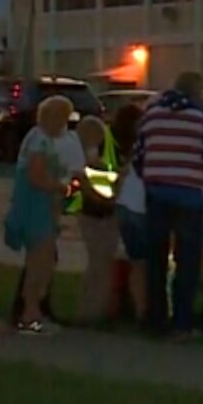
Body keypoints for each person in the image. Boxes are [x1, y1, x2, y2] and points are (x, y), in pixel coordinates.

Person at [136, 72, 203, 340]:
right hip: (189, 194)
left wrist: (154, 176)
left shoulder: (151, 115)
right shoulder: (201, 118)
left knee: (156, 259)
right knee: (187, 260)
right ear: (197, 93)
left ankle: (155, 319)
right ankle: (182, 322)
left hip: (157, 192)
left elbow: (139, 155)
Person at [4, 95, 74, 335]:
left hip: (43, 210)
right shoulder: (39, 140)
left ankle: (33, 311)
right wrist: (61, 187)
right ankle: (29, 313)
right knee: (38, 262)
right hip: (34, 209)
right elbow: (36, 176)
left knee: (44, 261)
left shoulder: (44, 140)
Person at [72, 115, 123, 324]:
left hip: (98, 213)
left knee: (101, 263)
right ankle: (90, 310)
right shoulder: (83, 161)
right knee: (99, 263)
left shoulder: (99, 160)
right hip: (95, 213)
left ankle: (96, 307)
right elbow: (88, 187)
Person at [111, 103, 149, 323]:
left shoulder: (129, 149)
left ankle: (139, 310)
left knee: (137, 262)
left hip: (125, 205)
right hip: (141, 208)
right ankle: (144, 310)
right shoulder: (148, 145)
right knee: (146, 263)